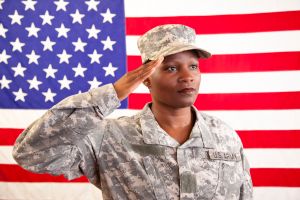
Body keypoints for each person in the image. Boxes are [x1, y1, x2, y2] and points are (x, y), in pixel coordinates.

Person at [13, 24, 253, 200]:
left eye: (193, 66)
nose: (187, 76)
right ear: (146, 79)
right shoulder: (109, 137)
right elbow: (31, 153)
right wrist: (112, 93)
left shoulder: (225, 135)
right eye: (171, 68)